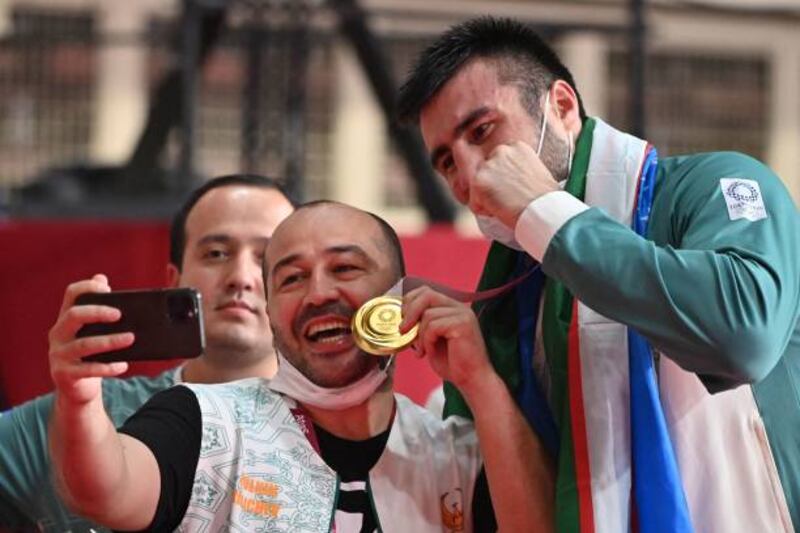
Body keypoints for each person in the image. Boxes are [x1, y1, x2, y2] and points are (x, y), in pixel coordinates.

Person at [397, 16, 800, 533]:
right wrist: (479, 380)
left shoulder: (714, 186)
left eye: (483, 131)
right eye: (448, 162)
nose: (471, 174)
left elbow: (741, 337)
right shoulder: (511, 300)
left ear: (562, 108)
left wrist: (546, 210)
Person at [48, 200, 554, 532]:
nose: (318, 294)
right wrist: (79, 397)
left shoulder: (458, 454)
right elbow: (105, 489)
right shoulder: (205, 421)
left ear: (400, 296)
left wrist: (481, 382)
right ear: (271, 311)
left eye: (345, 268)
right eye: (291, 279)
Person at [0, 174, 295, 531]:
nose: (241, 276)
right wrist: (76, 401)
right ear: (175, 280)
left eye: (266, 259)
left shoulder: (343, 427)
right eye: (216, 253)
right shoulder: (79, 411)